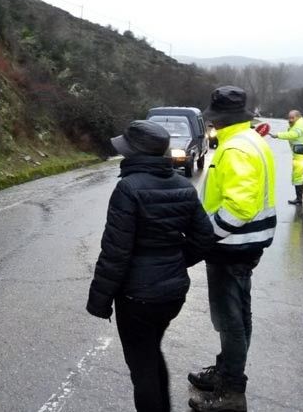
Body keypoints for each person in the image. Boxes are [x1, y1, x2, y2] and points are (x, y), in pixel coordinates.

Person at [86, 120, 214, 412]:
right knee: (151, 353)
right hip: (173, 293)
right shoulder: (184, 186)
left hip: (138, 298)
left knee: (142, 368)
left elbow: (115, 253)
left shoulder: (128, 189)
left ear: (137, 154)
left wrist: (100, 301)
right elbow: (205, 237)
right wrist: (176, 262)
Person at [188, 86, 277, 412]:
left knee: (231, 320)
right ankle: (225, 372)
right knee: (239, 315)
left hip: (232, 246)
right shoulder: (251, 140)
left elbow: (238, 208)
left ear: (220, 119)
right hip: (245, 245)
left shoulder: (236, 148)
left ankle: (231, 393)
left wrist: (206, 236)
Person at [270, 110, 303, 205]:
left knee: (298, 178)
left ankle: (300, 199)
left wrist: (277, 135)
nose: (290, 120)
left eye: (292, 118)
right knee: (301, 177)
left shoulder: (300, 125)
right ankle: (301, 198)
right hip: (302, 154)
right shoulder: (300, 123)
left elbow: (293, 134)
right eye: (289, 117)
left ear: (298, 117)